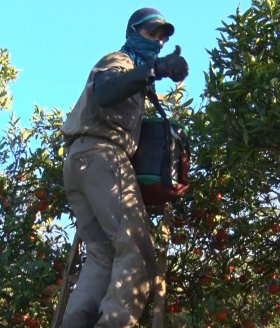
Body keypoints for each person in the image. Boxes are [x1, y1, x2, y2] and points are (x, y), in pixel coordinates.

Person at [60, 7, 188, 328]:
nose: (157, 41)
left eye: (162, 37)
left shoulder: (134, 74)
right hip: (103, 154)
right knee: (135, 251)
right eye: (150, 33)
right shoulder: (120, 61)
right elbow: (105, 92)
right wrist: (156, 68)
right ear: (133, 32)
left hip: (79, 161)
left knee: (101, 255)